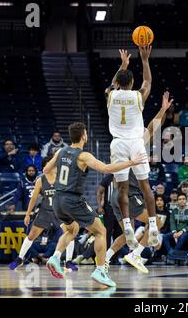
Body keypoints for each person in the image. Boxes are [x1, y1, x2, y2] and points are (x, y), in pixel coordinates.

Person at [43, 122, 147, 286]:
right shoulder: (83, 155)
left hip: (57, 199)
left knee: (72, 229)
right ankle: (100, 270)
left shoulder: (60, 151)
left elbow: (46, 170)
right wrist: (131, 163)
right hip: (72, 199)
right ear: (84, 136)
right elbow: (106, 169)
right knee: (101, 231)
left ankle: (55, 257)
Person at [104, 92, 173, 273]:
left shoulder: (119, 141)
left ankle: (104, 259)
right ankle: (136, 255)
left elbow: (152, 126)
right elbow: (153, 126)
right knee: (156, 222)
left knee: (129, 234)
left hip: (116, 196)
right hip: (130, 194)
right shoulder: (136, 141)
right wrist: (162, 110)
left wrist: (162, 110)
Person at [106, 47, 160, 250]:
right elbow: (148, 82)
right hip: (136, 142)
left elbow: (112, 83)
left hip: (118, 143)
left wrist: (123, 65)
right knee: (145, 184)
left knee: (122, 188)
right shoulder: (138, 97)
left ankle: (127, 225)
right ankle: (153, 225)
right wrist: (144, 59)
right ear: (131, 83)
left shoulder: (110, 95)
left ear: (118, 84)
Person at [9, 157, 77, 272]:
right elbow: (34, 198)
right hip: (45, 211)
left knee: (70, 234)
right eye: (46, 165)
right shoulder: (41, 180)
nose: (49, 167)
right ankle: (20, 258)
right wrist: (28, 214)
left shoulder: (61, 179)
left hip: (59, 211)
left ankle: (68, 261)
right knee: (31, 236)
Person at [96, 174, 122, 257]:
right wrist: (100, 206)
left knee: (118, 233)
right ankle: (104, 256)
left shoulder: (124, 176)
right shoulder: (108, 177)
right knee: (107, 233)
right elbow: (99, 191)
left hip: (121, 209)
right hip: (109, 209)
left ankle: (114, 257)